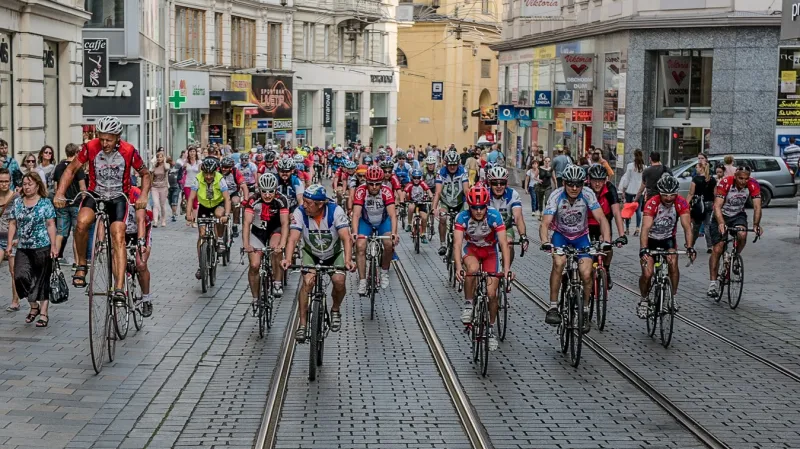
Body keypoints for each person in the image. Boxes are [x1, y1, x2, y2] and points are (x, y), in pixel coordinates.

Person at [53, 116, 151, 307]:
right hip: (95, 193)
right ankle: (81, 264)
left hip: (118, 197)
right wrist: (59, 193)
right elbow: (71, 169)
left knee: (118, 234)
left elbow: (145, 174)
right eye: (102, 138)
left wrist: (143, 195)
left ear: (118, 137)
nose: (104, 143)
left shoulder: (129, 150)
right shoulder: (90, 147)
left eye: (109, 139)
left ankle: (119, 287)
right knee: (81, 222)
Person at [539, 165, 612, 332]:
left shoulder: (588, 194)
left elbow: (601, 218)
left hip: (581, 237)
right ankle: (553, 307)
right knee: (559, 263)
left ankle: (584, 310)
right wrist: (545, 241)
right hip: (561, 235)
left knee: (586, 273)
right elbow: (545, 223)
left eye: (578, 184)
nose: (574, 188)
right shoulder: (556, 196)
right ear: (564, 183)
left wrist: (606, 240)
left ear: (583, 184)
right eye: (570, 184)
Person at [281, 185, 355, 341]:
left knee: (339, 281)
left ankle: (335, 309)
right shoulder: (300, 212)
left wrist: (348, 260)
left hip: (334, 253)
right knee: (307, 283)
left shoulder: (335, 211)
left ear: (320, 204)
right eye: (304, 201)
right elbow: (293, 238)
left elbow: (346, 238)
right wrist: (287, 258)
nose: (304, 205)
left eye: (308, 203)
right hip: (311, 253)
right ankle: (302, 324)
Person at [454, 184, 514, 351]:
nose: (479, 211)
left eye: (482, 207)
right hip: (471, 249)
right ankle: (468, 304)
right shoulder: (462, 217)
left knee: (492, 294)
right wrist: (458, 267)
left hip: (490, 252)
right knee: (472, 270)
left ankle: (490, 329)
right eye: (475, 208)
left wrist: (506, 269)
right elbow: (457, 244)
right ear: (469, 206)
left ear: (487, 206)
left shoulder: (495, 216)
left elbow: (503, 243)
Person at [637, 174, 696, 318]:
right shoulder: (652, 203)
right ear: (659, 193)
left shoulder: (681, 203)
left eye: (672, 195)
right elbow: (645, 228)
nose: (669, 198)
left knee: (673, 264)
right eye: (665, 195)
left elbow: (687, 227)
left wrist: (690, 247)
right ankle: (644, 300)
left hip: (668, 240)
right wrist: (644, 249)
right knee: (647, 273)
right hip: (651, 240)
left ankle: (672, 297)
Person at [7, 172, 57, 327]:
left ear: (37, 185)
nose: (27, 187)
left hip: (42, 246)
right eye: (24, 184)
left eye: (30, 184)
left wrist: (54, 246)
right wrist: (9, 243)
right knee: (20, 277)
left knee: (42, 280)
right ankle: (34, 306)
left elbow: (51, 224)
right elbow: (12, 223)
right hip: (23, 247)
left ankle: (43, 314)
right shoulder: (17, 202)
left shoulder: (45, 203)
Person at [706, 165, 762, 298]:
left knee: (742, 234)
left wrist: (756, 224)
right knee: (718, 248)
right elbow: (717, 206)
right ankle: (713, 284)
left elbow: (757, 207)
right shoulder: (726, 182)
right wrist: (721, 223)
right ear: (735, 176)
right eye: (740, 178)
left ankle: (735, 256)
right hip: (721, 215)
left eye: (746, 179)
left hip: (738, 215)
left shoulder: (753, 184)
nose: (743, 181)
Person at [352, 166, 399, 294]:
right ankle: (362, 281)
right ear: (366, 182)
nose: (374, 187)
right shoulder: (360, 191)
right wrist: (354, 232)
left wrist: (394, 233)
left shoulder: (386, 191)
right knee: (360, 246)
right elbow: (356, 214)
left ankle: (384, 272)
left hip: (382, 222)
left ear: (381, 183)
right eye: (371, 184)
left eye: (377, 184)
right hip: (366, 222)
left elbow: (392, 215)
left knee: (389, 244)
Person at [243, 173, 289, 299]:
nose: (267, 195)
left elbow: (285, 224)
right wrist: (246, 244)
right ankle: (255, 298)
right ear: (259, 190)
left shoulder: (281, 199)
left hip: (275, 230)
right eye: (264, 192)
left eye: (270, 192)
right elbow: (246, 223)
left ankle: (277, 282)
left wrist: (282, 244)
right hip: (258, 232)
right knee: (254, 265)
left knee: (276, 249)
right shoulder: (253, 200)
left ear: (275, 190)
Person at [185, 157, 231, 280]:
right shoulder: (198, 179)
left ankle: (219, 239)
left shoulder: (220, 179)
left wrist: (226, 215)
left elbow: (227, 198)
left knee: (219, 215)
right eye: (206, 174)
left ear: (215, 172)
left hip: (218, 204)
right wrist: (189, 214)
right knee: (201, 235)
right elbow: (191, 198)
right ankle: (201, 265)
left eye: (211, 174)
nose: (209, 176)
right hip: (204, 206)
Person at [586, 165, 628, 287]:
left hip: (603, 223)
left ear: (605, 180)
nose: (597, 184)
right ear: (589, 180)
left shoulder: (610, 189)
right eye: (594, 180)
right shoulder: (584, 189)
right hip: (586, 224)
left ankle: (606, 269)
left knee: (607, 246)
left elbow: (616, 213)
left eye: (601, 180)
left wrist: (622, 235)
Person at [486, 166, 529, 264]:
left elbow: (518, 217)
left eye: (502, 183)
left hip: (506, 228)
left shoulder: (512, 194)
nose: (499, 186)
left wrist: (523, 236)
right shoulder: (485, 193)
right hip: (487, 230)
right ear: (489, 183)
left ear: (506, 183)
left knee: (508, 244)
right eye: (495, 183)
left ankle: (506, 270)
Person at [52, 143, 86, 264]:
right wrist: (84, 201)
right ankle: (77, 263)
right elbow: (82, 187)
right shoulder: (77, 167)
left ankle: (54, 260)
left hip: (62, 203)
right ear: (76, 153)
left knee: (60, 232)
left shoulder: (58, 167)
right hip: (76, 203)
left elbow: (56, 187)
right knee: (77, 234)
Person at [433, 151, 470, 256]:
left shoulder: (463, 171)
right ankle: (443, 244)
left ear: (458, 163)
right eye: (450, 164)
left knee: (464, 221)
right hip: (446, 202)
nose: (452, 167)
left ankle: (465, 243)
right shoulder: (441, 172)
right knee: (443, 218)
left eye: (454, 164)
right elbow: (438, 192)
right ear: (446, 163)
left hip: (459, 202)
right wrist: (434, 208)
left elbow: (466, 190)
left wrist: (472, 205)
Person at [125, 186, 154, 317]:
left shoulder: (135, 193)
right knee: (115, 258)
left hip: (141, 229)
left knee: (141, 264)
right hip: (121, 232)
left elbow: (141, 220)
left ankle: (146, 299)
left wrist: (141, 243)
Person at [687, 153, 716, 253]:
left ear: (701, 168)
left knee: (696, 226)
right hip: (709, 204)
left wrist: (686, 204)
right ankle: (710, 246)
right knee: (707, 225)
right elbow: (715, 194)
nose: (696, 169)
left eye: (696, 167)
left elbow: (691, 193)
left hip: (699, 205)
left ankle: (691, 245)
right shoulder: (712, 179)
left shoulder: (696, 179)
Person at [0, 169, 20, 311]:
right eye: (1, 181)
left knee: (13, 271)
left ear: (10, 181)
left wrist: (19, 238)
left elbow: (21, 218)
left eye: (6, 181)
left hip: (13, 239)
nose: (4, 184)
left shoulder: (16, 198)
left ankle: (15, 301)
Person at [219, 156, 249, 238]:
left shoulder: (236, 172)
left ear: (231, 168)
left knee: (236, 203)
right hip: (220, 194)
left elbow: (244, 187)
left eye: (226, 167)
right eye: (222, 167)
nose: (223, 169)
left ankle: (235, 225)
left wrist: (246, 200)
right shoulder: (217, 171)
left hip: (233, 192)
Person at [619, 149, 645, 236]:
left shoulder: (630, 166)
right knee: (638, 210)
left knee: (628, 209)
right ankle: (637, 229)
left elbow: (627, 179)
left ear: (634, 155)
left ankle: (627, 229)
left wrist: (623, 189)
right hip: (639, 191)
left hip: (630, 190)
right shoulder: (644, 167)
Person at [404, 169, 432, 243]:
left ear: (420, 178)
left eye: (418, 178)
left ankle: (423, 234)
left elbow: (428, 190)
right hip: (413, 202)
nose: (416, 180)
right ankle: (409, 224)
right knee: (410, 207)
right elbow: (404, 192)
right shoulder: (410, 184)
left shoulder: (422, 183)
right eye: (414, 178)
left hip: (421, 203)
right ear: (412, 178)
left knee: (424, 217)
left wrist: (431, 197)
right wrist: (402, 200)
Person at [180, 147, 201, 225]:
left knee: (195, 203)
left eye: (193, 151)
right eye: (190, 151)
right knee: (189, 202)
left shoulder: (199, 162)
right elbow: (182, 171)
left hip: (196, 184)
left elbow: (200, 173)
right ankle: (189, 218)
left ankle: (194, 220)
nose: (192, 153)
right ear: (188, 153)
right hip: (187, 184)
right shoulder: (186, 162)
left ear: (196, 153)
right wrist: (184, 164)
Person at [150, 149, 170, 228]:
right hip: (154, 187)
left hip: (163, 187)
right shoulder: (154, 165)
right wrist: (153, 164)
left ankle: (163, 219)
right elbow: (151, 172)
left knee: (162, 205)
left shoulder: (166, 165)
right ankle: (155, 221)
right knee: (155, 204)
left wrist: (164, 161)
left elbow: (167, 168)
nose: (159, 159)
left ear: (163, 158)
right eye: (158, 157)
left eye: (161, 157)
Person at [167, 157, 183, 222]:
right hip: (168, 186)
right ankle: (174, 211)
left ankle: (173, 214)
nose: (170, 163)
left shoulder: (178, 165)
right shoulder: (166, 167)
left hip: (176, 186)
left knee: (174, 199)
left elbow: (181, 173)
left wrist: (180, 181)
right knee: (170, 201)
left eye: (170, 162)